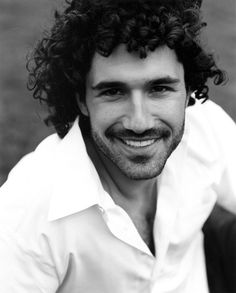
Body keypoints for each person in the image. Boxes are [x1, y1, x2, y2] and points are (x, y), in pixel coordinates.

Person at [0, 0, 235, 292]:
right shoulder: (25, 212)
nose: (139, 122)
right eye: (113, 91)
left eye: (159, 89)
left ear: (188, 91)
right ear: (81, 100)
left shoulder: (205, 125)